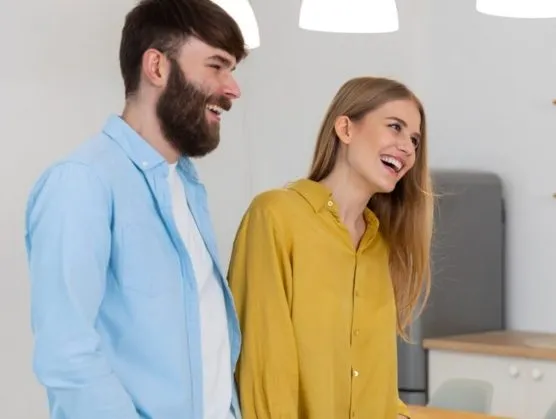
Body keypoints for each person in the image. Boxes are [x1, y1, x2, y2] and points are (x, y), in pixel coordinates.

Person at [23, 1, 249, 418]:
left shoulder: (185, 186)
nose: (233, 88)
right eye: (217, 66)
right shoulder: (82, 182)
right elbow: (66, 354)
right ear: (157, 67)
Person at [227, 76, 433, 419]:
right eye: (395, 127)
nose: (408, 148)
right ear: (345, 129)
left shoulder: (380, 246)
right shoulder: (276, 216)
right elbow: (264, 366)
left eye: (414, 139)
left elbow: (376, 381)